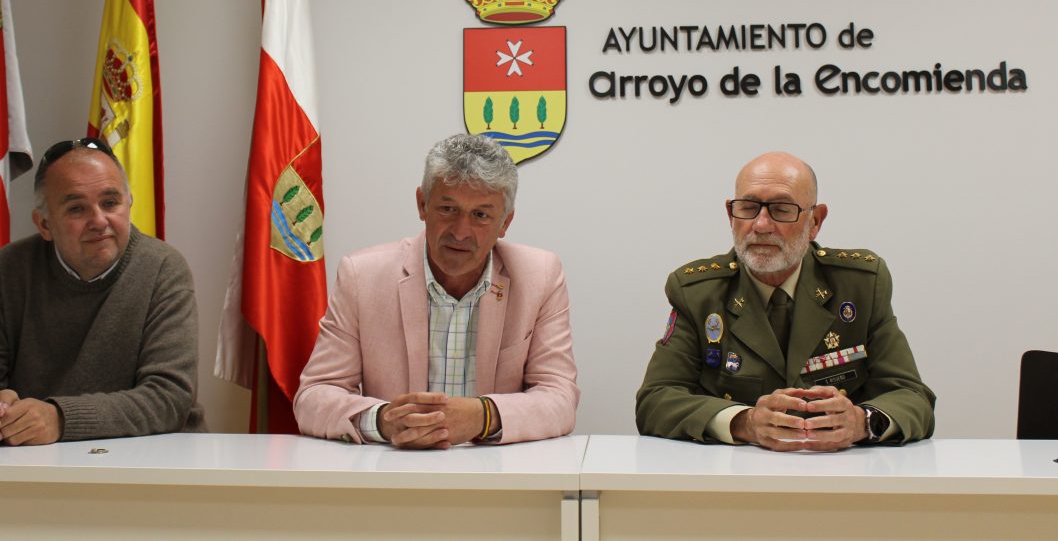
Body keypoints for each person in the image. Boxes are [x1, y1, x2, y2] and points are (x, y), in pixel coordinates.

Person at [636, 151, 934, 450]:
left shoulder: (860, 285)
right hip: (734, 479)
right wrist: (744, 423)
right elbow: (655, 401)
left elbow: (912, 397)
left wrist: (862, 423)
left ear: (815, 221)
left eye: (781, 209)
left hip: (840, 475)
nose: (761, 224)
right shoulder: (697, 292)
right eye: (748, 208)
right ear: (730, 215)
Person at [294, 134, 579, 447]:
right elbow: (313, 397)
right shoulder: (362, 276)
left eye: (481, 215)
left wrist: (484, 416)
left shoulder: (539, 277)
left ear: (505, 222)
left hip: (498, 477)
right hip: (396, 473)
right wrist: (383, 420)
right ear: (422, 204)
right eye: (447, 208)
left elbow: (560, 397)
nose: (460, 231)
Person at [0, 138, 204, 445]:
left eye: (110, 202)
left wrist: (62, 418)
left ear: (129, 203)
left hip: (152, 458)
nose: (99, 221)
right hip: (36, 460)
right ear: (45, 225)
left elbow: (168, 398)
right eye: (77, 208)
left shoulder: (163, 269)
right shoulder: (8, 270)